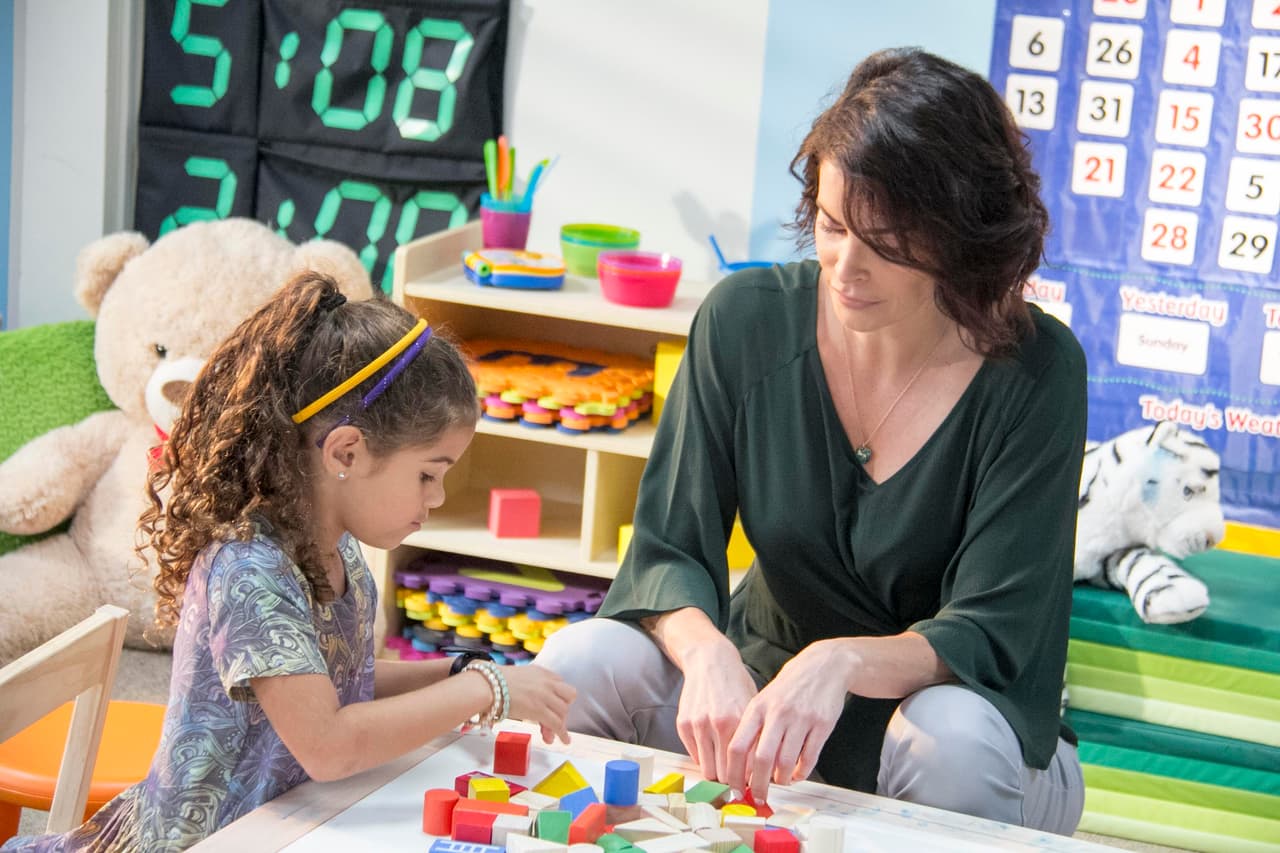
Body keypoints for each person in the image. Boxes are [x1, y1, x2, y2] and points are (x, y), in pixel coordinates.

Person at [537, 47, 1087, 834]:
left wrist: (840, 660)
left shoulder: (1038, 371)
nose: (845, 266)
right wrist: (709, 655)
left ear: (961, 236)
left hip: (974, 733)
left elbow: (993, 629)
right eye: (831, 225)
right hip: (769, 712)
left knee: (950, 740)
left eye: (887, 241)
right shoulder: (744, 322)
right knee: (581, 663)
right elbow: (666, 553)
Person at [3, 273, 576, 852]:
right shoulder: (250, 571)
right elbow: (330, 744)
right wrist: (487, 690)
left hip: (288, 825)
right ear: (346, 452)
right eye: (429, 473)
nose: (438, 498)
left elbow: (338, 684)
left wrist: (461, 673)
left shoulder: (336, 545)